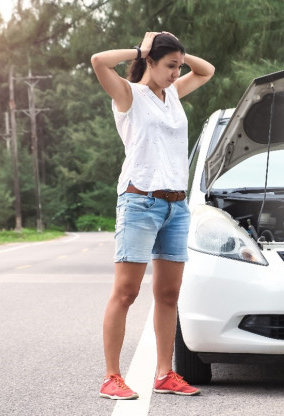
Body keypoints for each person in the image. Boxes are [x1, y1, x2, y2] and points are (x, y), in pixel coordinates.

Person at [90, 32, 215, 400]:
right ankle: (112, 377)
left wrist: (178, 54)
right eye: (170, 65)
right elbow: (99, 60)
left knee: (168, 294)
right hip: (140, 202)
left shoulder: (172, 94)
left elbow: (206, 71)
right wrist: (140, 50)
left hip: (176, 207)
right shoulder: (129, 95)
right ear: (150, 62)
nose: (177, 72)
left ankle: (164, 373)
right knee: (126, 292)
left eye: (179, 65)